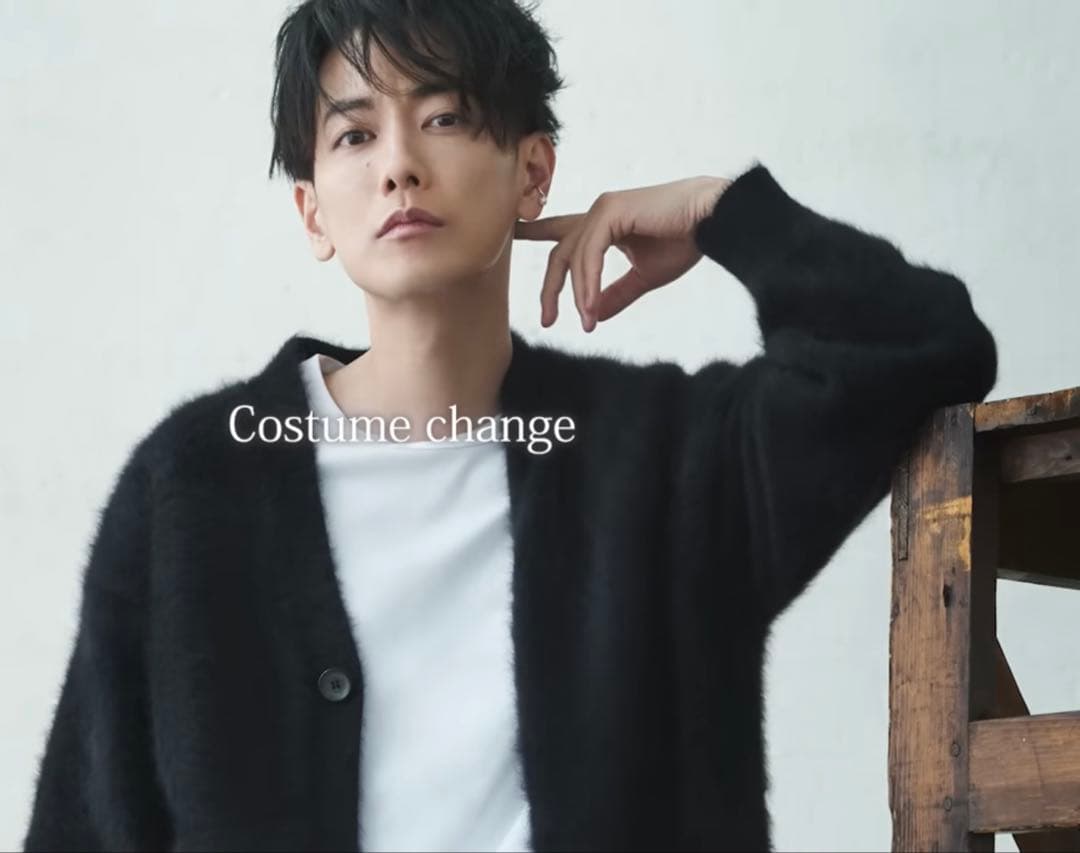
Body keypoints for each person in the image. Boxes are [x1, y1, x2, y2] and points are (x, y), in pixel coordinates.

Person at [22, 1, 998, 851]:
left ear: (533, 172)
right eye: (355, 135)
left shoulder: (659, 459)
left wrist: (722, 214)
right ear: (313, 212)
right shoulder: (196, 484)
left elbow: (917, 343)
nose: (400, 166)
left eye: (444, 117)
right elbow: (86, 824)